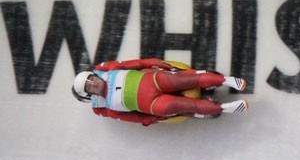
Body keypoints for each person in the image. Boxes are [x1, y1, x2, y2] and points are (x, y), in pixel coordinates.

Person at [71, 58, 248, 126]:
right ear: (90, 95)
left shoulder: (110, 69)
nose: (92, 84)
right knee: (188, 105)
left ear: (94, 75)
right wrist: (150, 119)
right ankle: (225, 107)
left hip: (154, 80)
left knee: (186, 80)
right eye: (88, 87)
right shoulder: (106, 109)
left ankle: (228, 80)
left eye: (90, 79)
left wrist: (158, 62)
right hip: (153, 105)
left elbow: (137, 64)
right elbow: (132, 117)